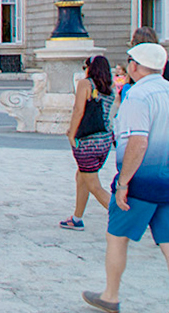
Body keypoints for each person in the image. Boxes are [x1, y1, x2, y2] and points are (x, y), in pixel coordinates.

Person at [82, 41, 169, 313]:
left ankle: (110, 295)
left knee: (117, 236)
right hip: (167, 177)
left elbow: (138, 142)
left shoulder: (138, 96)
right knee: (167, 239)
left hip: (141, 181)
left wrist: (123, 184)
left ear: (133, 66)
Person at [62, 54, 116, 229]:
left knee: (94, 185)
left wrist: (72, 134)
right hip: (105, 140)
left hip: (87, 142)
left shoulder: (85, 84)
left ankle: (126, 216)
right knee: (82, 177)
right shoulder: (110, 87)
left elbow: (79, 110)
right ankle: (77, 218)